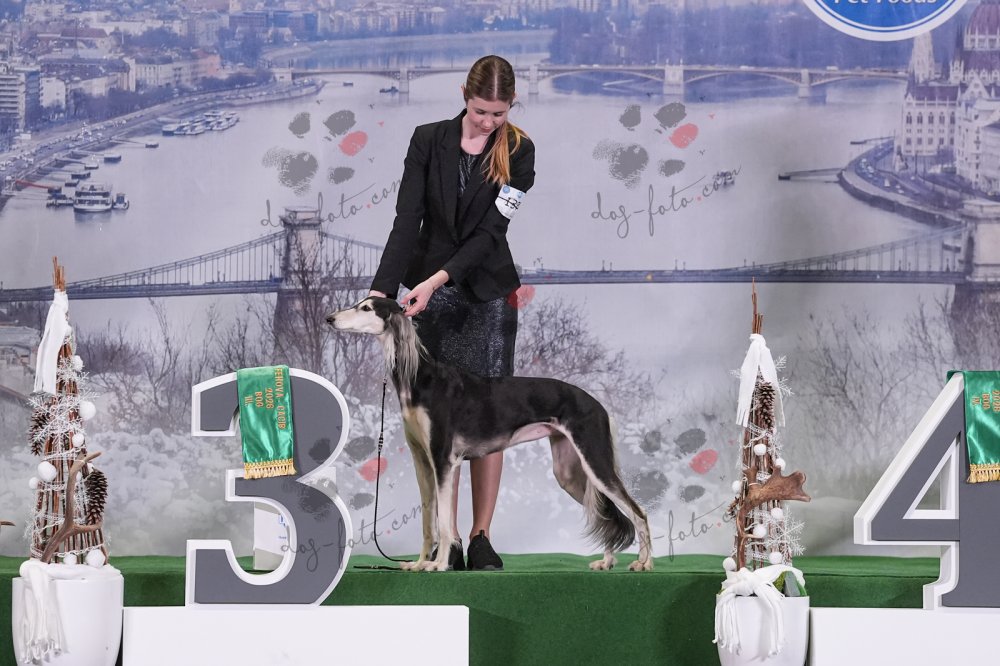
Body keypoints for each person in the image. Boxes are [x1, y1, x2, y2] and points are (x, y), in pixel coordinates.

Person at [369, 55, 535, 571]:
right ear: (465, 95)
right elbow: (407, 220)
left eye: (499, 114)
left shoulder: (520, 150)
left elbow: (490, 234)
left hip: (486, 294)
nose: (488, 122)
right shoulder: (427, 140)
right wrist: (381, 292)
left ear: (511, 106)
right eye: (481, 111)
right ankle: (450, 537)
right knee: (442, 421)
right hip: (427, 294)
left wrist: (438, 279)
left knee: (489, 416)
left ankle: (481, 536)